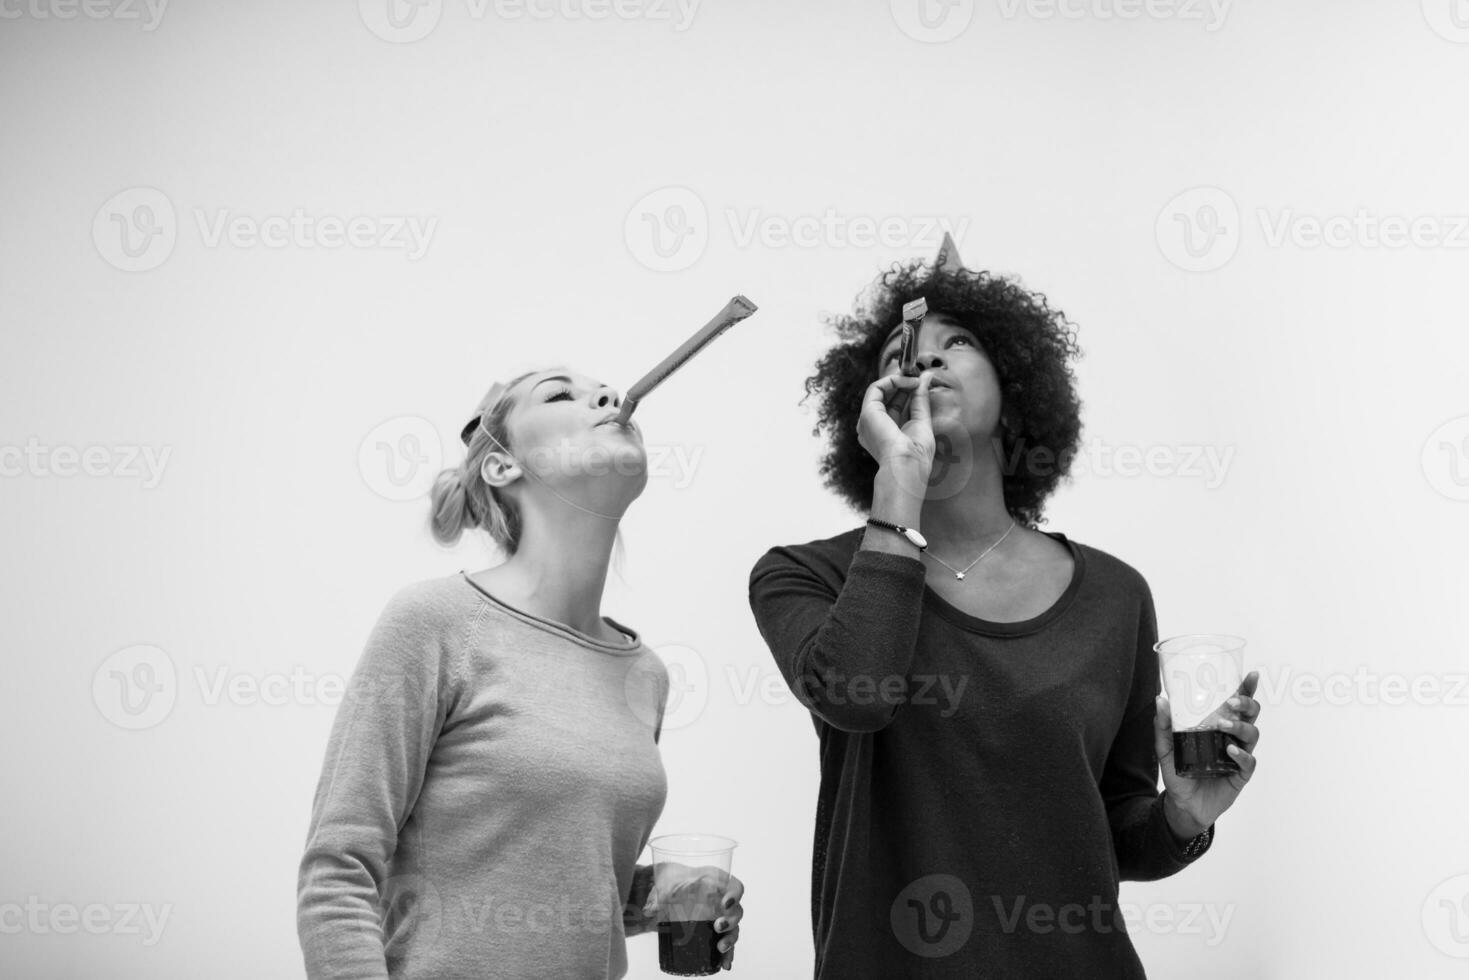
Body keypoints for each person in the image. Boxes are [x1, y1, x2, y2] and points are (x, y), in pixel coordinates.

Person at [746, 240, 1261, 978]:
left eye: (954, 342)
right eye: (900, 353)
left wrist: (1182, 815)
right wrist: (900, 481)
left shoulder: (1115, 594)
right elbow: (857, 697)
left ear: (1016, 386)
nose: (923, 362)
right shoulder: (805, 575)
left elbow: (1113, 837)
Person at [297, 368, 744, 979]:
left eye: (606, 389)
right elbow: (338, 870)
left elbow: (555, 878)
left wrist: (654, 894)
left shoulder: (646, 674)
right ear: (502, 466)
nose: (611, 397)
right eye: (562, 394)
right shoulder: (436, 622)